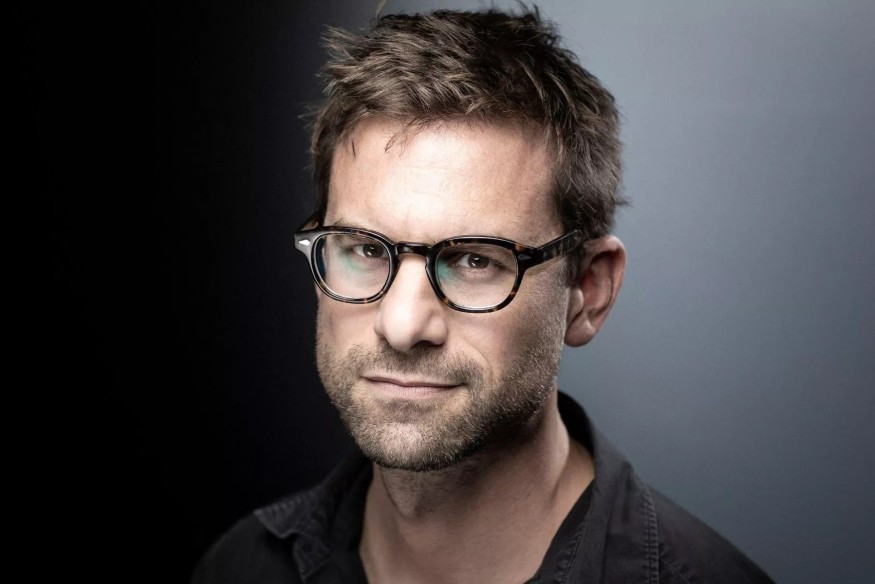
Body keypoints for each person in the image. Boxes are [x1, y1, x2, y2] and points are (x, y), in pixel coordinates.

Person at [193, 7, 773, 583]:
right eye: (366, 249)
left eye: (475, 260)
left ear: (588, 291)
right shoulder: (240, 569)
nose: (403, 325)